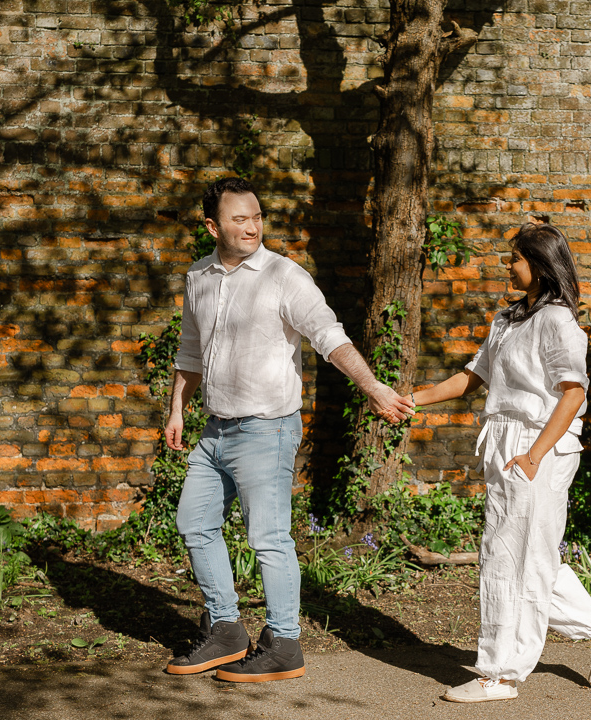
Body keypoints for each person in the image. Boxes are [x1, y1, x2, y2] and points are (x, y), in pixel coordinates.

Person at [163, 177, 414, 683]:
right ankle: (227, 631)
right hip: (215, 431)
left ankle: (284, 643)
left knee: (269, 538)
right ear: (213, 225)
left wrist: (373, 388)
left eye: (256, 216)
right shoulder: (199, 277)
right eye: (239, 218)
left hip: (267, 429)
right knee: (194, 522)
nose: (252, 226)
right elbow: (191, 350)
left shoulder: (283, 275)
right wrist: (176, 409)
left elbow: (328, 336)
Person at [411, 222, 591, 703]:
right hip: (505, 442)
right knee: (523, 555)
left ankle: (500, 674)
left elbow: (573, 393)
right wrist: (412, 400)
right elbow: (472, 377)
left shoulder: (558, 323)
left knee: (509, 558)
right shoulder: (508, 320)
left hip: (539, 445)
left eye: (517, 259)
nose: (509, 266)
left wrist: (534, 453)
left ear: (541, 266)